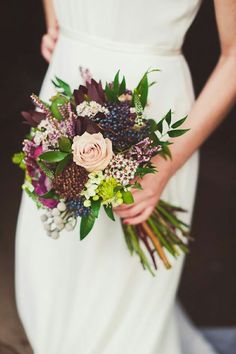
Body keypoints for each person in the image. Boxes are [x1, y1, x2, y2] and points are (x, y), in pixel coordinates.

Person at [15, 1, 236, 353]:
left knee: (122, 306)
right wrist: (60, 20)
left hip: (153, 121)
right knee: (48, 285)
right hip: (67, 82)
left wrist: (168, 165)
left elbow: (234, 55)